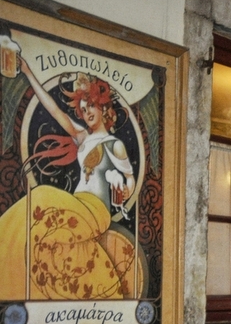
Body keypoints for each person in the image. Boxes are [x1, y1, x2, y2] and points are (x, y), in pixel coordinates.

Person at [0, 57, 137, 301]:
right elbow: (54, 110)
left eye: (91, 106)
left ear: (103, 107)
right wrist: (28, 72)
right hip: (77, 205)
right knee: (34, 222)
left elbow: (129, 178)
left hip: (95, 210)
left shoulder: (115, 145)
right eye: (83, 109)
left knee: (41, 195)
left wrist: (125, 190)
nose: (87, 113)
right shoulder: (82, 137)